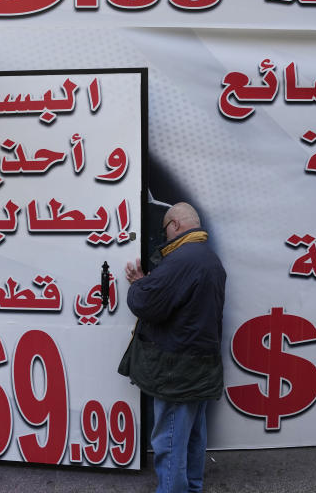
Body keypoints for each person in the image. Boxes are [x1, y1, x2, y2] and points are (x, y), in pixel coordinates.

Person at [123, 202, 226, 493]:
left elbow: (146, 304)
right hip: (201, 365)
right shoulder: (209, 258)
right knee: (193, 436)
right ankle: (192, 488)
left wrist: (138, 284)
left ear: (176, 225)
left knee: (169, 441)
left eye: (165, 229)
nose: (164, 236)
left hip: (177, 370)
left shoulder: (182, 259)